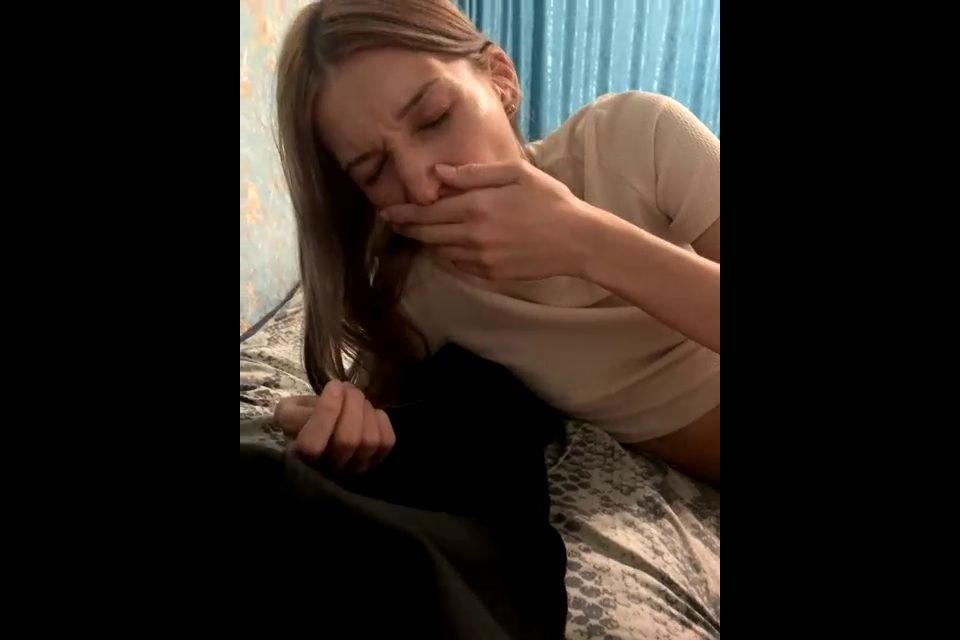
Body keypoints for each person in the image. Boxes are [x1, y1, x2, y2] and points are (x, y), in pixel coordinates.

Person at [271, 0, 720, 483]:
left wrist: (584, 241)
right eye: (376, 170)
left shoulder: (636, 138)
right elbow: (361, 412)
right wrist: (330, 419)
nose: (422, 186)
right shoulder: (421, 298)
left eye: (434, 118)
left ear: (500, 79)